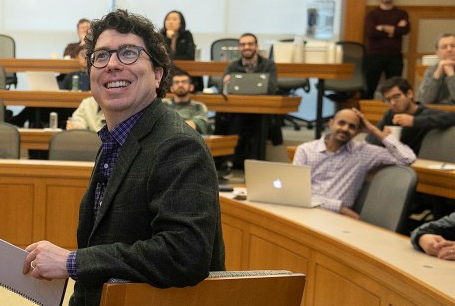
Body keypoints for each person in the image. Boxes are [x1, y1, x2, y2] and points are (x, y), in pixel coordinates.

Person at [0, 8, 225, 306]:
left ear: (159, 72)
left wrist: (73, 262)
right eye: (101, 56)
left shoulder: (178, 146)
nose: (112, 64)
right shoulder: (118, 138)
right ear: (89, 74)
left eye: (129, 54)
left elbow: (185, 255)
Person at [293, 108, 415, 218]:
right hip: (308, 212)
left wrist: (373, 130)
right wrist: (340, 208)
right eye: (341, 123)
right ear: (331, 124)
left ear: (358, 131)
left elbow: (407, 158)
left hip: (339, 220)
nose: (345, 129)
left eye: (352, 126)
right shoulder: (305, 150)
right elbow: (297, 193)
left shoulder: (363, 152)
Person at [219, 33, 279, 166]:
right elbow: (220, 88)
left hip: (260, 109)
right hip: (238, 109)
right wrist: (225, 83)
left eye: (250, 44)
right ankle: (231, 161)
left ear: (256, 46)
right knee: (233, 118)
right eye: (243, 44)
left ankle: (256, 162)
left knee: (262, 119)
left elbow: (272, 88)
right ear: (239, 48)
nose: (247, 47)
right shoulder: (233, 66)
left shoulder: (268, 65)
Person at [365, 76, 455, 155]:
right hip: (392, 161)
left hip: (415, 163)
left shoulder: (425, 113)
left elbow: (452, 117)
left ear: (409, 94)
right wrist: (382, 137)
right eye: (387, 100)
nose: (392, 103)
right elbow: (369, 139)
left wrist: (414, 121)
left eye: (396, 97)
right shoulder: (390, 114)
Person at [363, 0, 410, 97]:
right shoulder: (372, 14)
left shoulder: (401, 14)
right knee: (369, 87)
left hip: (394, 56)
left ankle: (394, 113)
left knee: (395, 89)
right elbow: (371, 32)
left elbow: (404, 30)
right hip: (374, 56)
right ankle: (363, 113)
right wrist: (393, 30)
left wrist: (382, 27)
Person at [163, 68, 209, 133]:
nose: (180, 85)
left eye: (184, 82)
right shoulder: (163, 104)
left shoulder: (199, 106)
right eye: (176, 82)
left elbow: (200, 127)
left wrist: (168, 125)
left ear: (191, 87)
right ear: (171, 88)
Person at [416, 33, 455, 106]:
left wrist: (451, 76)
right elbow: (423, 100)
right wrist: (437, 75)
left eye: (453, 46)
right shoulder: (432, 70)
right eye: (444, 47)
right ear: (437, 52)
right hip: (434, 113)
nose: (449, 50)